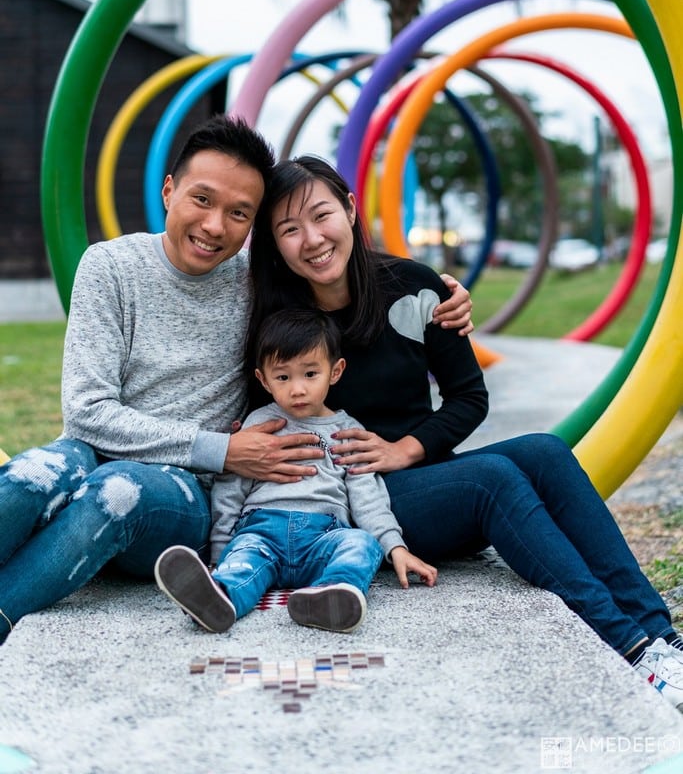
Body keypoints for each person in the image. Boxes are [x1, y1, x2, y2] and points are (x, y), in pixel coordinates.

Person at [0, 115, 469, 644]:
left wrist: (434, 293)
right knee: (35, 471)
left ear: (252, 226)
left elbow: (339, 284)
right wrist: (223, 448)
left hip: (182, 491)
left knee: (117, 488)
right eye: (202, 199)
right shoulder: (109, 266)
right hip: (108, 448)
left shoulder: (261, 282)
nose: (215, 226)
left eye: (239, 213)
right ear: (169, 189)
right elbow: (86, 412)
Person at [247, 153, 683, 712]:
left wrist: (406, 449)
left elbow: (469, 398)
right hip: (348, 506)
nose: (311, 238)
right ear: (275, 243)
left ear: (351, 209)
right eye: (288, 228)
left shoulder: (417, 288)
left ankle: (660, 634)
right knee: (492, 479)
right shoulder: (276, 320)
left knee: (546, 451)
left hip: (421, 480)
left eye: (321, 215)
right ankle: (631, 648)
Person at [154, 308, 437, 634]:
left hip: (324, 536)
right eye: (283, 377)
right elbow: (232, 484)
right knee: (243, 563)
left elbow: (367, 496)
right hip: (261, 531)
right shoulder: (260, 424)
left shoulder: (347, 431)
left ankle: (328, 595)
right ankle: (218, 597)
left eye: (310, 374)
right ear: (263, 379)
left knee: (362, 544)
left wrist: (395, 547)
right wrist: (220, 548)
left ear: (335, 371)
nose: (297, 389)